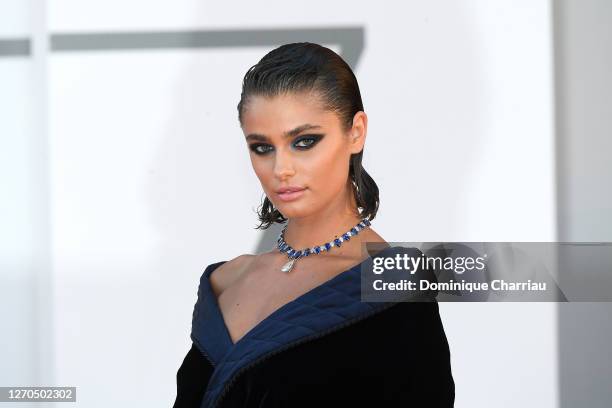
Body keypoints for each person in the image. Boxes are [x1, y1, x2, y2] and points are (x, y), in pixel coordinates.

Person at [173, 42, 455, 408]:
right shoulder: (224, 282)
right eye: (262, 147)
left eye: (304, 142)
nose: (281, 169)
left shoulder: (394, 288)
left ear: (356, 132)